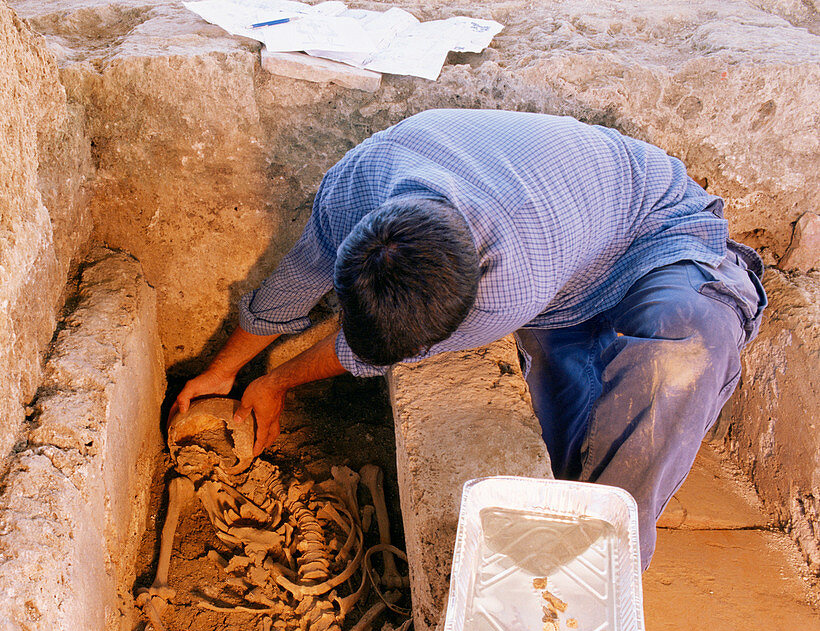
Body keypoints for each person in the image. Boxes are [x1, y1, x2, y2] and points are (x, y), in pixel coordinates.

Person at [173, 108, 766, 569]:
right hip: (569, 238)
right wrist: (227, 369)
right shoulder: (355, 185)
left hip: (656, 235)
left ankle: (600, 574)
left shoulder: (510, 284)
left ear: (470, 291)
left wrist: (276, 381)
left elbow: (370, 352)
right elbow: (303, 274)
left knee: (668, 369)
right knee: (560, 456)